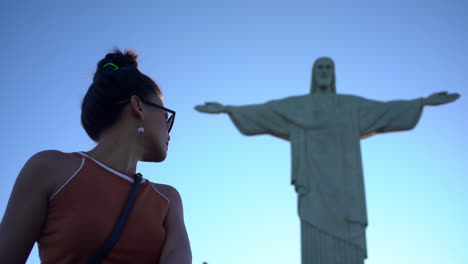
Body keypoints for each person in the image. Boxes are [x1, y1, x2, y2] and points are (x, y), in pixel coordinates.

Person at [195, 57, 460, 264]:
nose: (324, 71)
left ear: (333, 74)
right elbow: (267, 111)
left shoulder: (350, 106)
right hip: (314, 187)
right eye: (319, 67)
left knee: (347, 242)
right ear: (313, 73)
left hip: (346, 188)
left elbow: (385, 110)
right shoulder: (297, 106)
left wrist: (422, 103)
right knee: (315, 239)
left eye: (328, 67)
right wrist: (229, 109)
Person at [0, 49, 192, 263]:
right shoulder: (50, 169)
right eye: (165, 116)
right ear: (138, 106)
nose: (169, 131)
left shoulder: (167, 199)